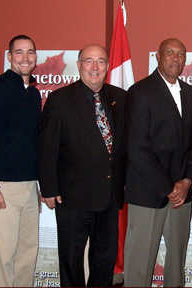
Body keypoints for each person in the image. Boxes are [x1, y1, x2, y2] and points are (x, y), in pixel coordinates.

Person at [38, 44, 126, 287]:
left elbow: (124, 147)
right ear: (79, 65)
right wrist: (48, 189)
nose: (95, 67)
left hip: (109, 197)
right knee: (71, 259)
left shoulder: (121, 97)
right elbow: (47, 149)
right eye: (89, 61)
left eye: (101, 61)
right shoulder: (60, 100)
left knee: (104, 259)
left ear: (108, 66)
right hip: (72, 196)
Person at [123, 38, 192, 287]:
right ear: (157, 56)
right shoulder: (140, 92)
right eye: (170, 53)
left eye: (180, 54)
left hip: (182, 194)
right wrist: (168, 188)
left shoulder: (189, 93)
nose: (176, 58)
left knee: (176, 262)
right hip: (148, 191)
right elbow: (137, 147)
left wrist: (187, 181)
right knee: (140, 263)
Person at [0, 35, 41, 287]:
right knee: (2, 256)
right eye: (19, 52)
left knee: (27, 253)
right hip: (2, 188)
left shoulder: (32, 93)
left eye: (30, 52)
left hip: (29, 186)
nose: (25, 58)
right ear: (9, 57)